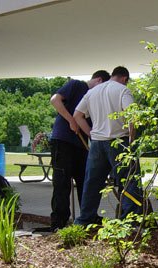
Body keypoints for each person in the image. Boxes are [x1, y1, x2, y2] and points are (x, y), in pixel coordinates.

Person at [73, 66, 142, 226]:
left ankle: (84, 220)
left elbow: (77, 115)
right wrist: (132, 142)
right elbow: (132, 117)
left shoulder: (92, 92)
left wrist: (91, 134)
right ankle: (130, 221)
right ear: (125, 78)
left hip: (97, 143)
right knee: (128, 181)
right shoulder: (123, 91)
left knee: (92, 183)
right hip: (119, 141)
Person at [49, 70, 110, 231]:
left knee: (86, 182)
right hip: (63, 142)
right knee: (62, 184)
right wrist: (71, 120)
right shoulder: (77, 85)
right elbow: (55, 100)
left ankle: (87, 218)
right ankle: (59, 222)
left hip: (81, 145)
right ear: (98, 80)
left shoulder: (95, 98)